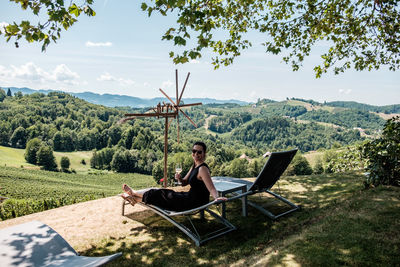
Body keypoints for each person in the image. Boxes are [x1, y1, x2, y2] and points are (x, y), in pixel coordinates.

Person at [121, 141, 227, 211]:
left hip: (193, 202)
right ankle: (135, 198)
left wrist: (216, 198)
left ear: (204, 153)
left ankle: (133, 193)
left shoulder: (203, 169)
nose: (196, 154)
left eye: (199, 152)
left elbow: (211, 188)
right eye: (194, 151)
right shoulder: (195, 165)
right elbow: (184, 182)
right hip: (188, 197)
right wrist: (180, 178)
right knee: (162, 192)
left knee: (160, 193)